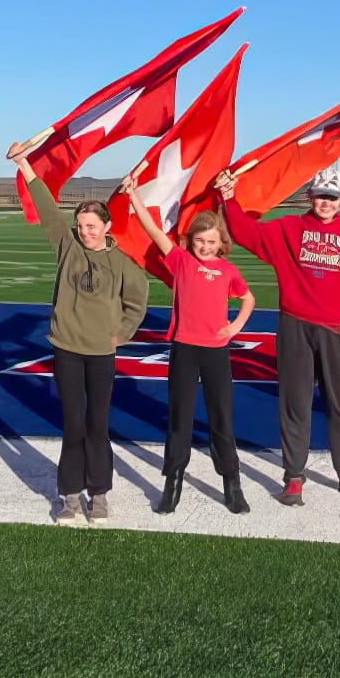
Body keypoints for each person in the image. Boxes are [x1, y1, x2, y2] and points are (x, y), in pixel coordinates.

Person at [216, 167, 340, 505]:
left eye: (332, 197)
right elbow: (246, 233)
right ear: (310, 196)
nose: (326, 203)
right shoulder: (290, 229)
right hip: (295, 326)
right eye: (321, 196)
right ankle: (294, 477)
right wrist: (228, 199)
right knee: (294, 404)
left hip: (335, 332)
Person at [9, 143, 149, 526]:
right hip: (67, 350)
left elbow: (138, 300)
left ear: (107, 227)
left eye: (92, 226)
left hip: (101, 354)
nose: (86, 232)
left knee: (97, 426)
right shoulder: (67, 246)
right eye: (82, 226)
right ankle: (70, 496)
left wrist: (120, 334)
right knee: (73, 425)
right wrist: (25, 165)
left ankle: (98, 494)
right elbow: (47, 209)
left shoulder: (122, 263)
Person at [121, 175, 255, 514]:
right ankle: (173, 482)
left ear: (221, 243)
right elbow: (153, 231)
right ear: (190, 240)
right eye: (199, 240)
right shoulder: (180, 260)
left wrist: (234, 327)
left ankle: (232, 482)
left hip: (216, 351)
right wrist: (134, 196)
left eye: (211, 241)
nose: (205, 247)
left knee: (220, 417)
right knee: (179, 418)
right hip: (184, 349)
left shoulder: (227, 270)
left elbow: (248, 298)